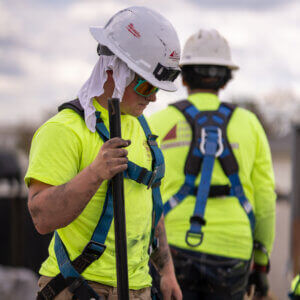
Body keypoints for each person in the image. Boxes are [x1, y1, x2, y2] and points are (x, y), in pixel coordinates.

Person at [25, 6, 182, 300]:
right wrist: (95, 174)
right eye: (146, 84)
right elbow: (41, 217)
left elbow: (149, 208)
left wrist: (167, 272)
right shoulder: (64, 130)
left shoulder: (141, 129)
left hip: (138, 288)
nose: (153, 96)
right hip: (78, 287)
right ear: (113, 70)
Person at [149, 29, 276, 299]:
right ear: (226, 78)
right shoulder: (250, 125)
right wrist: (261, 260)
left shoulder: (157, 123)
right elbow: (265, 198)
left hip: (171, 249)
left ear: (183, 76)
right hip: (233, 250)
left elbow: (140, 194)